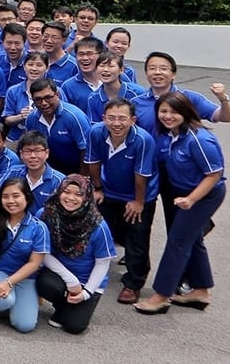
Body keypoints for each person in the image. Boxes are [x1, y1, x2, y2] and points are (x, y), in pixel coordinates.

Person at [134, 92, 226, 315]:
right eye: (163, 111)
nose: (168, 116)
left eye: (174, 111)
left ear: (186, 112)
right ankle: (201, 290)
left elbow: (214, 174)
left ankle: (161, 295)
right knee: (192, 240)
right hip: (182, 192)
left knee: (177, 241)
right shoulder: (168, 135)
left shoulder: (199, 139)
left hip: (203, 195)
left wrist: (191, 199)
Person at [84, 97, 158, 304]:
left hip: (139, 194)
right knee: (100, 230)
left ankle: (133, 283)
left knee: (137, 238)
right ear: (103, 118)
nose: (116, 123)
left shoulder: (143, 140)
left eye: (122, 119)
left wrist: (139, 202)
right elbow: (93, 162)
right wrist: (97, 189)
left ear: (133, 120)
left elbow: (141, 176)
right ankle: (91, 270)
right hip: (109, 190)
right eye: (111, 118)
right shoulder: (96, 132)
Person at [0, 177, 49, 332]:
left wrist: (9, 283)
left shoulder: (39, 227)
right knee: (4, 301)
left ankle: (13, 301)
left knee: (25, 325)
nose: (10, 201)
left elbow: (34, 263)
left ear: (27, 197)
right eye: (5, 197)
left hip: (25, 278)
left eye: (16, 196)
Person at [37, 175, 114, 334]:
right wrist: (70, 280)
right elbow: (41, 251)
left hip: (88, 281)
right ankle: (62, 305)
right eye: (66, 192)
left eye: (78, 194)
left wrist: (86, 293)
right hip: (58, 274)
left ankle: (71, 307)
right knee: (45, 284)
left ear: (87, 197)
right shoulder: (46, 214)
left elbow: (103, 263)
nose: (71, 198)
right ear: (59, 192)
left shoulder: (98, 225)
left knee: (74, 326)